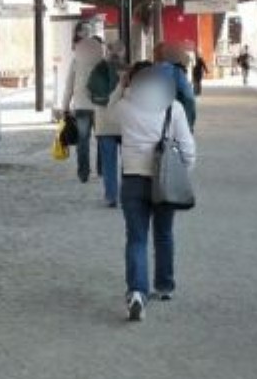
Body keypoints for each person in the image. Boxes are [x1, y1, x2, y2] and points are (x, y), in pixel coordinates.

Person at [115, 61, 196, 320]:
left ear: (133, 81)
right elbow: (188, 149)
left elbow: (108, 116)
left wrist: (121, 88)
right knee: (164, 234)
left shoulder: (123, 106)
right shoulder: (174, 107)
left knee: (136, 238)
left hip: (133, 179)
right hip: (164, 180)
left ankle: (137, 292)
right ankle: (164, 286)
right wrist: (182, 173)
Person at [60, 35, 103, 184]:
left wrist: (65, 107)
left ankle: (83, 173)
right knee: (101, 139)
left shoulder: (76, 61)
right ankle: (102, 170)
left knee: (83, 141)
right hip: (100, 107)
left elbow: (69, 87)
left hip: (81, 106)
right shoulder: (102, 61)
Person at [92, 40, 126, 207]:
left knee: (108, 163)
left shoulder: (97, 70)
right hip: (125, 123)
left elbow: (90, 93)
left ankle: (111, 196)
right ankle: (126, 194)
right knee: (128, 163)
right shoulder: (129, 71)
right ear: (123, 52)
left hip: (104, 123)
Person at [153, 41, 197, 129]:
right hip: (172, 117)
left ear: (154, 55)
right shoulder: (176, 73)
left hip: (153, 118)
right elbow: (189, 97)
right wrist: (190, 121)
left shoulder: (147, 72)